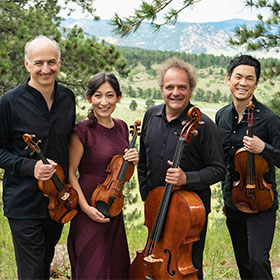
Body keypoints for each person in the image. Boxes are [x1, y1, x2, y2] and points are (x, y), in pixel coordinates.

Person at [137, 57, 225, 279]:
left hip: (188, 216)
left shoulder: (204, 126)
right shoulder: (151, 115)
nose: (175, 92)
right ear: (162, 89)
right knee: (155, 260)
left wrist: (187, 178)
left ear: (191, 89)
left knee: (187, 267)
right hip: (157, 207)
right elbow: (143, 160)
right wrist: (148, 197)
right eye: (169, 87)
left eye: (182, 87)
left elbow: (218, 169)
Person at [0, 35, 76, 279]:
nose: (46, 69)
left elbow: (69, 143)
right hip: (24, 203)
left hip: (58, 201)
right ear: (27, 64)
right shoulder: (9, 102)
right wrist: (29, 167)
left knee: (44, 265)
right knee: (32, 272)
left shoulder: (68, 98)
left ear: (60, 62)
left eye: (51, 62)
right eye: (39, 63)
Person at [67, 72, 139, 279]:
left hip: (112, 206)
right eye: (98, 96)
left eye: (110, 95)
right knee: (92, 268)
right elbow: (72, 173)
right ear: (89, 98)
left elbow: (120, 173)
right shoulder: (82, 131)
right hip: (87, 208)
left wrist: (133, 159)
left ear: (118, 97)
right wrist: (85, 208)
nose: (104, 102)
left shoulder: (122, 127)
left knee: (115, 268)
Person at [215, 54, 280, 279]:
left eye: (249, 78)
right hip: (235, 200)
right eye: (238, 77)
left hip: (262, 201)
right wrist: (226, 198)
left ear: (256, 83)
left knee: (258, 260)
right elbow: (224, 162)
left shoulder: (270, 120)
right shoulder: (221, 116)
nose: (243, 83)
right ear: (229, 79)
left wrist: (264, 148)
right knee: (243, 262)